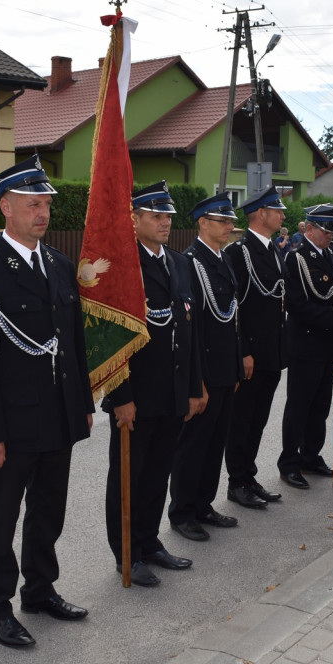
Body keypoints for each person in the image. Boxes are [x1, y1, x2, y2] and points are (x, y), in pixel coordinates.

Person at [0, 155, 93, 649]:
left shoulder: (58, 264)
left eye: (47, 204)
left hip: (57, 416)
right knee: (2, 519)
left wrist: (83, 405)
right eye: (33, 204)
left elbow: (71, 343)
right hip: (11, 426)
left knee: (48, 510)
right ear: (6, 207)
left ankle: (40, 589)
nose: (43, 212)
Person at [102, 182, 203, 587]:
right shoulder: (122, 266)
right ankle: (126, 553)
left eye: (168, 217)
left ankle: (149, 540)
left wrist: (194, 386)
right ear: (135, 219)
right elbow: (109, 338)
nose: (165, 223)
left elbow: (189, 329)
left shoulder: (178, 263)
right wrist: (120, 397)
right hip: (137, 395)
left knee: (159, 472)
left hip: (173, 390)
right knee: (129, 476)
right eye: (156, 216)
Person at [168, 192, 243, 541]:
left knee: (215, 443)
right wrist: (195, 381)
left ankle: (203, 504)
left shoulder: (222, 259)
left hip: (225, 370)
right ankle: (182, 512)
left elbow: (231, 319)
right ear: (202, 223)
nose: (229, 227)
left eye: (230, 221)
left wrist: (237, 370)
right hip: (205, 371)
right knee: (193, 444)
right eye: (222, 221)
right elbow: (191, 328)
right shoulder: (190, 263)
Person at [278, 204, 333, 489]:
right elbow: (297, 306)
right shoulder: (297, 259)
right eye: (325, 231)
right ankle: (289, 462)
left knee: (321, 405)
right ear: (309, 229)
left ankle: (311, 455)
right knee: (299, 405)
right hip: (305, 342)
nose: (330, 236)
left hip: (329, 342)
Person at [224, 186, 288, 508]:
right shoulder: (239, 252)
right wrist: (243, 350)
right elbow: (234, 307)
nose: (282, 215)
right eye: (276, 210)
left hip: (272, 354)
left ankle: (248, 477)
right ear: (261, 214)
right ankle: (236, 483)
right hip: (251, 355)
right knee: (242, 420)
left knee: (259, 419)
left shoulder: (275, 250)